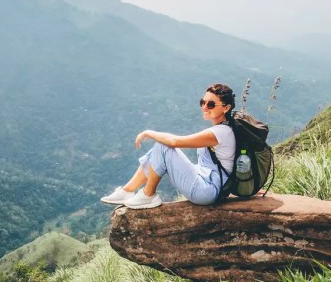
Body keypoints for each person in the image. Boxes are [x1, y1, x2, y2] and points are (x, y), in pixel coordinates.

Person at [101, 83, 236, 209]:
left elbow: (174, 142)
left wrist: (149, 133)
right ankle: (127, 191)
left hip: (207, 190)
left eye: (211, 104)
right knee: (158, 151)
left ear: (226, 108)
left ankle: (148, 195)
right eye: (203, 102)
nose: (204, 107)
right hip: (207, 182)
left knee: (163, 146)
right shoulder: (225, 128)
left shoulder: (220, 133)